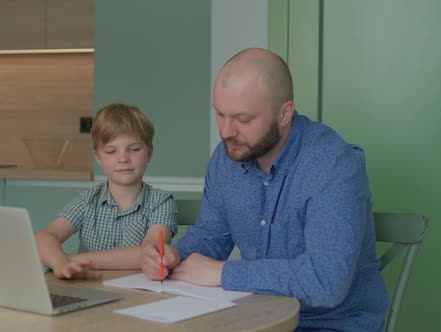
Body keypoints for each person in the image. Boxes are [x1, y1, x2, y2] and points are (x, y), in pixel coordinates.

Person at [140, 48, 388, 331]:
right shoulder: (226, 158)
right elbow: (211, 237)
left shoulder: (333, 164)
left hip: (331, 325)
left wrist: (223, 273)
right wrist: (173, 257)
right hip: (256, 317)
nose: (225, 131)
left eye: (243, 120)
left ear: (285, 113)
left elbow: (325, 282)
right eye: (220, 114)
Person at [37, 103, 177, 280]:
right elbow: (44, 236)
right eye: (111, 151)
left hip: (138, 294)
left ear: (149, 153)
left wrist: (74, 259)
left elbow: (149, 253)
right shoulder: (87, 201)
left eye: (134, 149)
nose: (123, 158)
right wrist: (59, 263)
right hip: (88, 289)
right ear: (98, 158)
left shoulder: (161, 202)